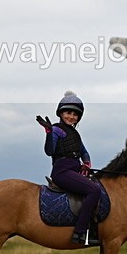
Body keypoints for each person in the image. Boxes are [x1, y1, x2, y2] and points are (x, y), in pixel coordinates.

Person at [36, 91, 101, 245]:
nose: (71, 116)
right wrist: (48, 132)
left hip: (75, 170)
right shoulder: (56, 130)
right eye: (68, 113)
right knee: (94, 191)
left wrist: (86, 164)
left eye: (75, 114)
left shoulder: (75, 134)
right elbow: (49, 151)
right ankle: (80, 232)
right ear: (60, 113)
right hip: (62, 171)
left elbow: (84, 153)